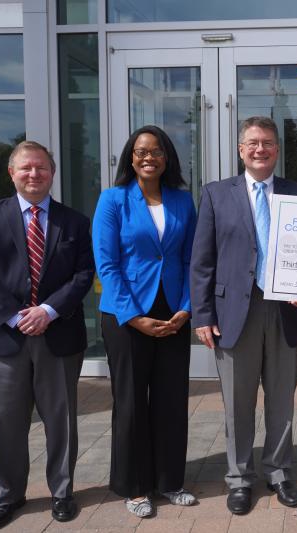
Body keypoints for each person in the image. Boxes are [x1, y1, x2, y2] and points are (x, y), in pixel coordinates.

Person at [0, 141, 94, 529]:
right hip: (6, 338)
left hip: (58, 334)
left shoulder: (74, 222)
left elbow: (83, 275)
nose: (33, 174)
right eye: (26, 168)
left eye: (41, 168)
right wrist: (15, 316)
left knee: (61, 420)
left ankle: (62, 492)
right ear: (12, 173)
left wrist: (48, 311)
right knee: (7, 421)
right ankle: (9, 496)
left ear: (52, 173)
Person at [190, 116, 297, 515]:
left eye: (268, 143)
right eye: (253, 143)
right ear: (241, 149)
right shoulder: (215, 194)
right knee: (237, 404)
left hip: (285, 313)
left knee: (281, 400)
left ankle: (279, 472)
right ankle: (239, 479)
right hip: (231, 314)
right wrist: (202, 315)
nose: (260, 149)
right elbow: (202, 261)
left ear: (278, 149)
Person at [93, 125, 197, 517]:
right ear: (130, 158)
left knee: (171, 399)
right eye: (140, 152)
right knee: (132, 402)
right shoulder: (113, 200)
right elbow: (107, 264)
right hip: (126, 314)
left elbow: (191, 259)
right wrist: (133, 316)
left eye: (155, 151)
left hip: (173, 311)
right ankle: (134, 486)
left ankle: (170, 480)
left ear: (167, 157)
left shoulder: (183, 202)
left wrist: (186, 308)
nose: (148, 157)